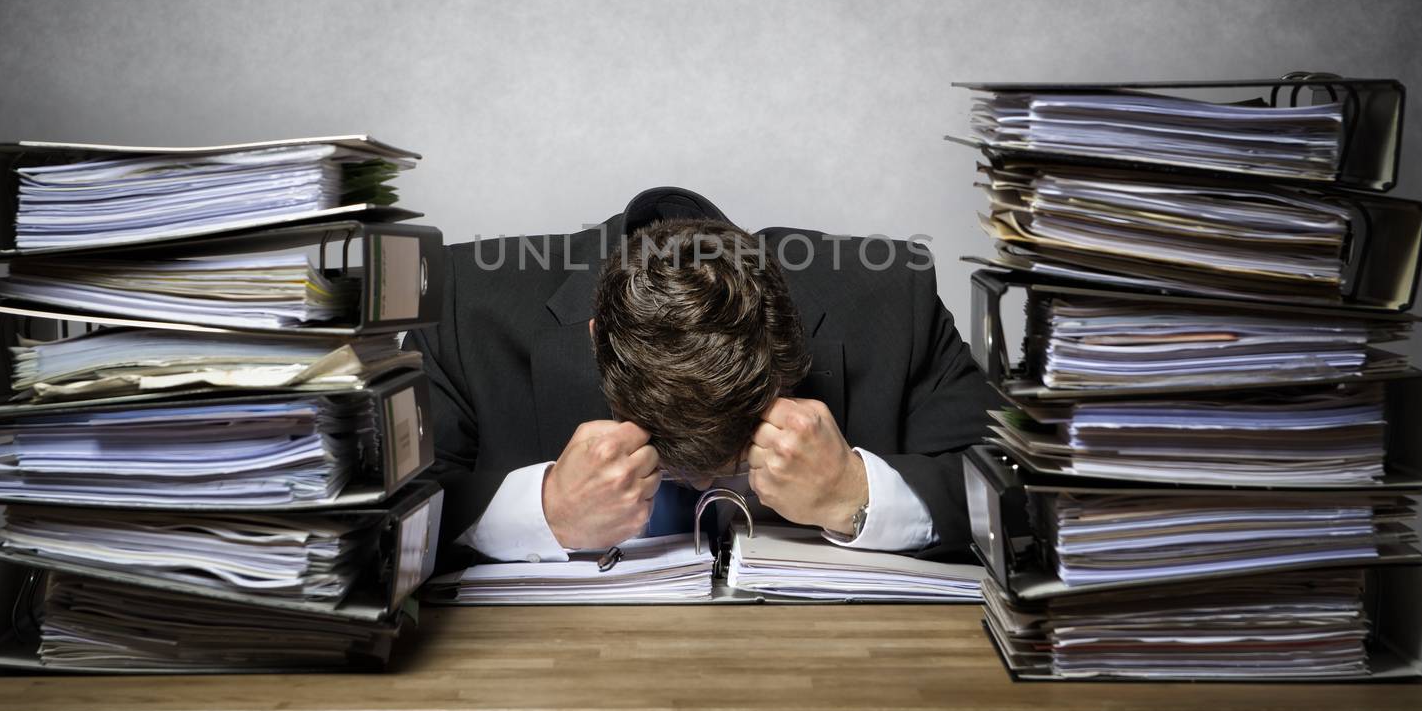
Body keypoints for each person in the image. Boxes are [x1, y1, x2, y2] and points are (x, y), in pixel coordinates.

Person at [412, 186, 994, 567]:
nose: (704, 480)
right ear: (596, 340)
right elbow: (374, 525)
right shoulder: (463, 307)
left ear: (790, 344)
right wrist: (545, 510)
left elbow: (1024, 492)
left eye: (736, 451)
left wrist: (857, 493)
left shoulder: (895, 298)